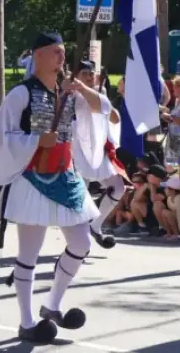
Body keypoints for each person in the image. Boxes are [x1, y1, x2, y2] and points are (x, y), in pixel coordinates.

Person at [0, 31, 109, 344]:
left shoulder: (70, 92)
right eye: (55, 52)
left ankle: (52, 305)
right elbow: (1, 138)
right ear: (37, 55)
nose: (61, 58)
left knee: (81, 244)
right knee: (29, 252)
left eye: (63, 52)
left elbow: (105, 109)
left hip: (66, 177)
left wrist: (80, 87)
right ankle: (26, 322)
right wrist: (36, 139)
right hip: (32, 179)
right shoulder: (21, 94)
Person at [73, 60, 124, 250]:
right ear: (76, 76)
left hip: (99, 151)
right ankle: (78, 243)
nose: (89, 76)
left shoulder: (100, 95)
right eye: (85, 73)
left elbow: (114, 118)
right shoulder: (70, 96)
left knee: (118, 188)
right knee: (80, 199)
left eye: (91, 73)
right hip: (77, 152)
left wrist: (105, 104)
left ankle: (95, 225)